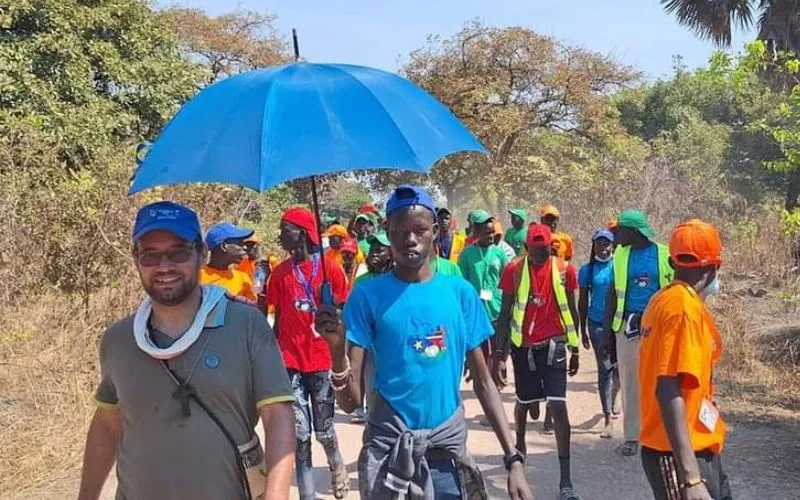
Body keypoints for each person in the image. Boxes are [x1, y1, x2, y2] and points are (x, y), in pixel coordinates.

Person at [314, 185, 533, 500]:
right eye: (400, 231)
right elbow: (351, 403)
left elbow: (484, 383)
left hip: (447, 458)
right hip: (389, 457)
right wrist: (336, 351)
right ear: (387, 232)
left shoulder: (460, 293)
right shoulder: (366, 296)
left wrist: (513, 460)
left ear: (435, 232)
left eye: (420, 230)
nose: (410, 239)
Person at [78, 201, 295, 500]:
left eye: (178, 253)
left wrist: (276, 495)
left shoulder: (245, 325)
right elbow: (107, 423)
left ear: (201, 254)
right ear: (136, 259)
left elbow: (277, 415)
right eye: (150, 255)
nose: (164, 267)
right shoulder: (119, 339)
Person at [639, 219, 731, 500]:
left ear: (672, 261)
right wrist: (691, 477)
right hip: (677, 454)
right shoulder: (682, 309)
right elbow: (667, 389)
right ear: (715, 267)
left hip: (694, 446)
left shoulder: (662, 300)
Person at [495, 223, 584, 500]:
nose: (540, 256)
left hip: (555, 344)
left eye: (545, 251)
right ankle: (520, 444)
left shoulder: (564, 270)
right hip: (524, 348)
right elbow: (505, 313)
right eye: (535, 251)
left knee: (558, 406)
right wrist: (500, 356)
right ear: (526, 248)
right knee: (524, 403)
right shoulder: (514, 270)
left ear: (551, 247)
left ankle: (566, 482)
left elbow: (571, 309)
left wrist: (575, 349)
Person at [266, 207, 349, 500]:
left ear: (301, 233)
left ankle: (337, 465)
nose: (280, 235)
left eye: (285, 230)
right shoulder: (279, 273)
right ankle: (308, 494)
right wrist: (272, 357)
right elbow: (277, 319)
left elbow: (344, 314)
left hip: (321, 360)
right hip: (290, 362)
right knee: (300, 435)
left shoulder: (330, 269)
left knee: (324, 430)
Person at [601, 209, 674, 457]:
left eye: (619, 231)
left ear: (633, 232)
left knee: (660, 380)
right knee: (630, 381)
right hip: (628, 328)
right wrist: (607, 332)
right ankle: (632, 436)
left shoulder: (664, 254)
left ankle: (660, 434)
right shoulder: (621, 255)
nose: (616, 236)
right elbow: (612, 293)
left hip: (659, 328)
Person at [458, 209, 511, 376]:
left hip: (497, 311)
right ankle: (479, 378)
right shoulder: (466, 254)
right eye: (487, 233)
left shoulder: (499, 253)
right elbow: (462, 284)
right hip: (476, 313)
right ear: (476, 232)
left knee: (498, 352)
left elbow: (506, 281)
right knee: (479, 356)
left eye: (492, 232)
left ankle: (497, 376)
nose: (491, 236)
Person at [578, 229, 619, 439]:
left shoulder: (619, 267)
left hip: (618, 324)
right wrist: (582, 328)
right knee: (605, 369)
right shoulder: (587, 270)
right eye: (599, 244)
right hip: (597, 324)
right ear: (593, 246)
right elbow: (582, 301)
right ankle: (608, 418)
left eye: (606, 244)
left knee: (619, 369)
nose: (603, 248)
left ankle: (614, 396)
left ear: (613, 246)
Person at [199, 222, 257, 301]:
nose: (245, 247)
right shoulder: (196, 276)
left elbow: (253, 305)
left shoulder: (243, 279)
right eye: (240, 243)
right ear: (224, 247)